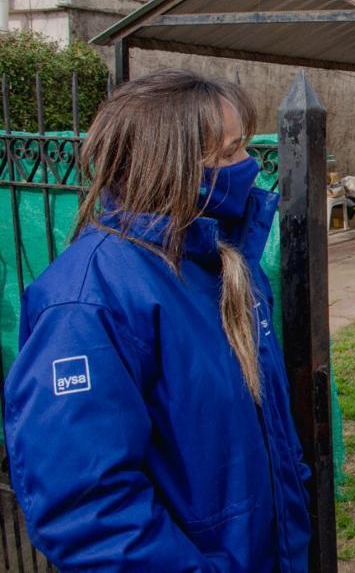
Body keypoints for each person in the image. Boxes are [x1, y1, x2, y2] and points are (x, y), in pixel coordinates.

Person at [4, 70, 311, 571]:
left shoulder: (225, 262)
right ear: (171, 165)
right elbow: (87, 508)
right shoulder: (87, 302)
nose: (249, 166)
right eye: (230, 152)